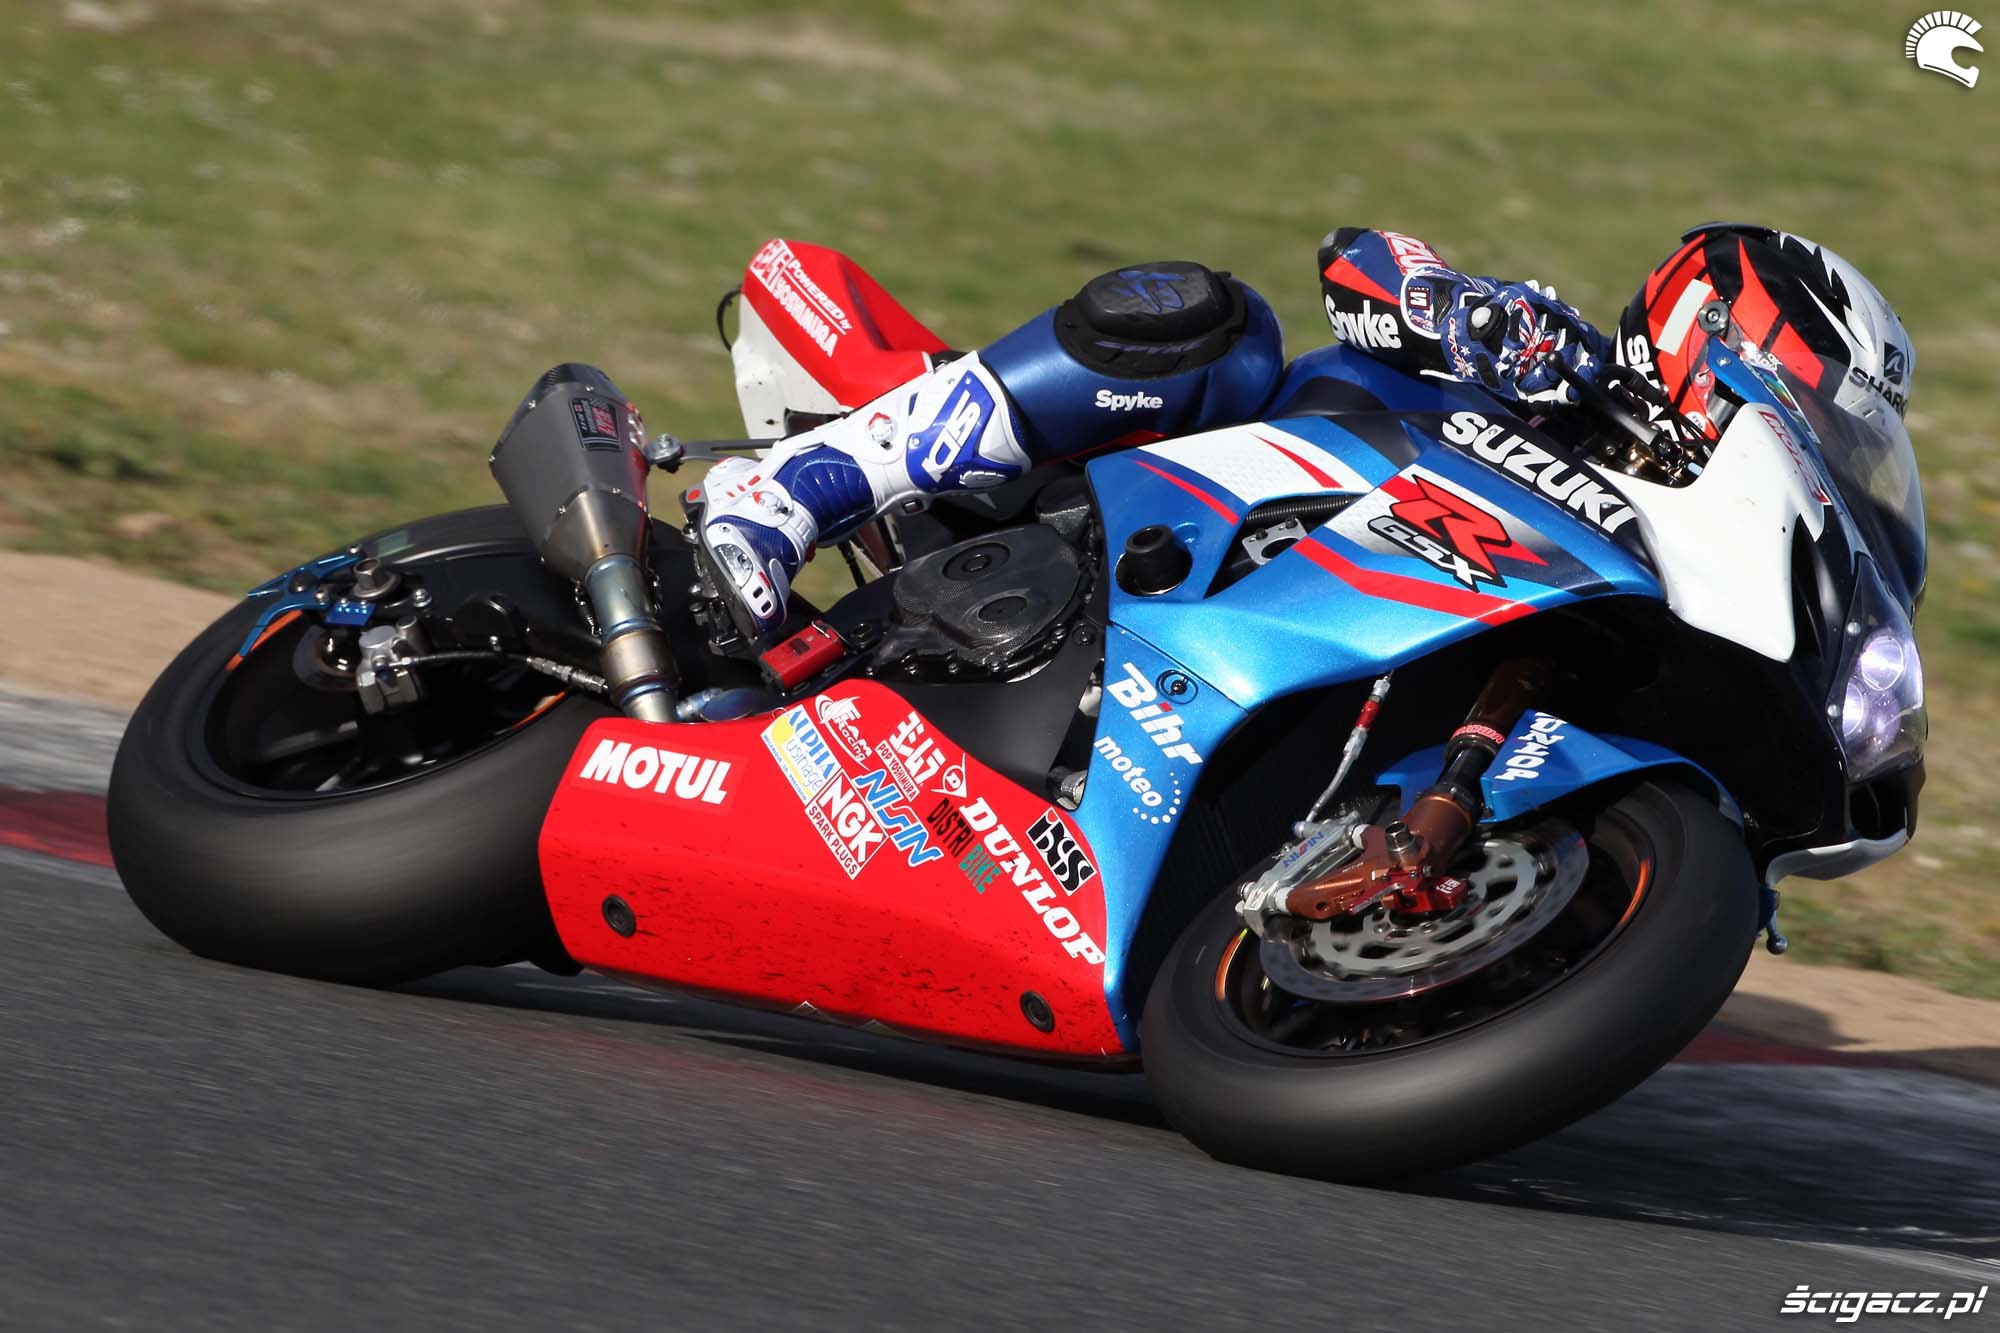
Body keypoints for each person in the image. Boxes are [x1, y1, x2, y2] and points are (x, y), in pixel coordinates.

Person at [694, 223, 1911, 640]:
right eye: (1819, 418)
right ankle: (795, 486)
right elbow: (1361, 257)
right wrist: (1454, 312)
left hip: (1291, 632)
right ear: (1723, 334)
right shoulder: (1552, 360)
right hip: (1155, 511)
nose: (1821, 454)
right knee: (1216, 321)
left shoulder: (1675, 550)